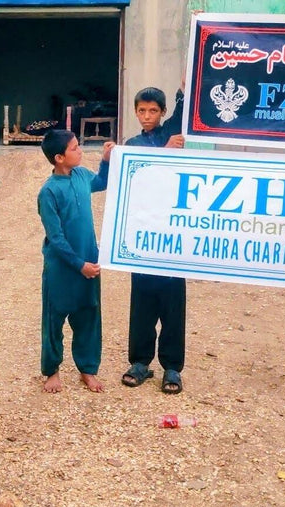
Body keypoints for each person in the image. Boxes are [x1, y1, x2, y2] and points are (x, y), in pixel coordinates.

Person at [114, 86, 188, 394]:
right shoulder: (132, 145)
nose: (147, 116)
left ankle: (172, 367)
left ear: (162, 112)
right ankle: (140, 362)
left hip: (172, 233)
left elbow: (187, 107)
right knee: (141, 301)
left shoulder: (175, 134)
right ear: (135, 112)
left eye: (153, 111)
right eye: (142, 111)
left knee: (173, 303)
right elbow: (136, 177)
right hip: (143, 234)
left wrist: (185, 85)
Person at [37, 130, 114, 394]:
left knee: (89, 316)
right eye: (74, 148)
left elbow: (102, 182)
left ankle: (88, 369)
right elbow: (55, 237)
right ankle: (52, 371)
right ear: (59, 158)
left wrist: (105, 159)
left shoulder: (82, 176)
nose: (80, 150)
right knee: (54, 318)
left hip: (89, 262)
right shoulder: (48, 192)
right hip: (61, 268)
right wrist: (78, 264)